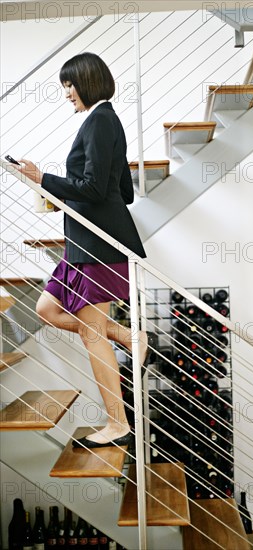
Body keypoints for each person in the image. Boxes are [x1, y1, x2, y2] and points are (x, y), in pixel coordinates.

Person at [16, 52, 152, 448]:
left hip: (97, 246)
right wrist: (61, 191)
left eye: (69, 87)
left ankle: (118, 424)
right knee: (47, 309)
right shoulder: (106, 120)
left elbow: (94, 189)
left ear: (86, 82)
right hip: (83, 243)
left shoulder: (98, 121)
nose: (67, 95)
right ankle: (130, 336)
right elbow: (122, 191)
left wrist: (45, 178)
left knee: (93, 336)